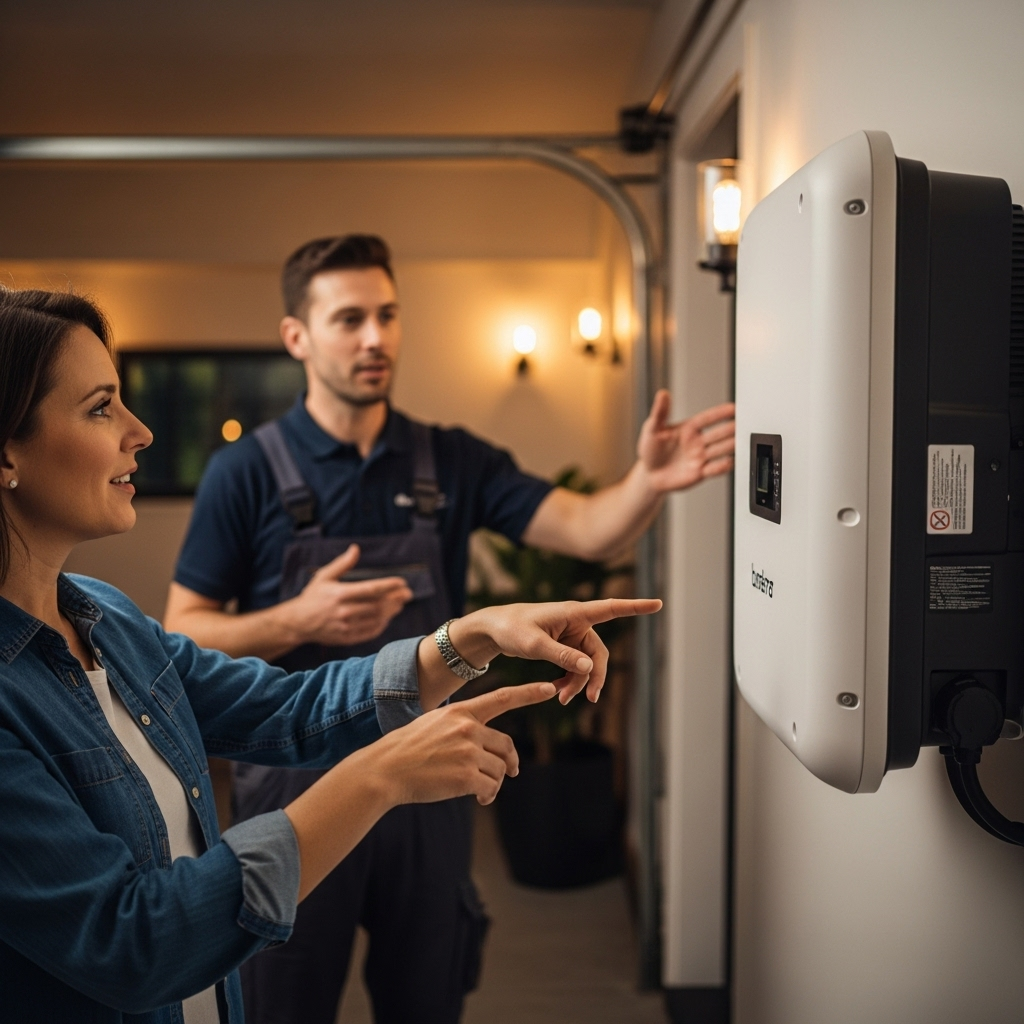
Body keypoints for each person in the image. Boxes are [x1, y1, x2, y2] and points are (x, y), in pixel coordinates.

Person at [0, 286, 660, 1024]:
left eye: (388, 313)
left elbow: (284, 708)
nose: (142, 432)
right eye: (100, 407)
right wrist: (377, 774)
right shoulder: (243, 472)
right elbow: (136, 944)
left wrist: (471, 634)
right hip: (309, 804)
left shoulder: (107, 617)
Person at [164, 235, 734, 1024]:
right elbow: (182, 636)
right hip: (298, 786)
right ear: (297, 336)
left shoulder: (452, 460)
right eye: (350, 319)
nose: (376, 338)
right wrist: (300, 618)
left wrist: (646, 483)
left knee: (427, 993)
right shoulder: (245, 473)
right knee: (282, 998)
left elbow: (589, 529)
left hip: (435, 774)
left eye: (389, 315)